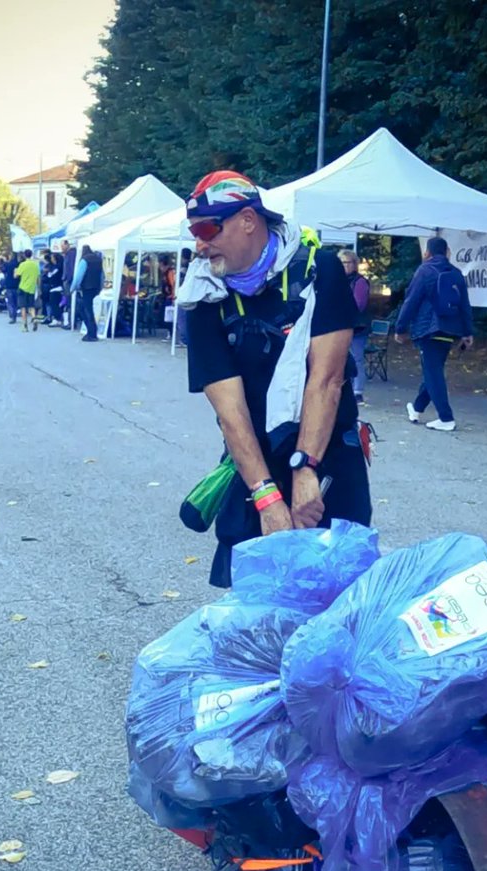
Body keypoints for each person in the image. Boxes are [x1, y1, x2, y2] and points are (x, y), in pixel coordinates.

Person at [179, 169, 372, 588]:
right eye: (193, 230)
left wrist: (305, 469)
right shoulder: (201, 296)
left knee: (339, 589)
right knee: (255, 602)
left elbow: (327, 379)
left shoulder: (319, 269)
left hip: (327, 451)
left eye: (208, 228)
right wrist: (267, 497)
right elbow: (230, 410)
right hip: (254, 461)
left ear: (248, 220)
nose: (199, 243)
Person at [395, 236, 474, 432]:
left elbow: (411, 301)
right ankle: (417, 408)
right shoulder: (456, 273)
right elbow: (465, 304)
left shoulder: (425, 270)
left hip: (428, 330)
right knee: (433, 371)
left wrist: (400, 328)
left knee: (433, 373)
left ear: (426, 253)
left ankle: (446, 418)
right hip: (450, 330)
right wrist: (467, 332)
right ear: (448, 252)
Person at [338, 249, 371, 404]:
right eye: (342, 262)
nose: (345, 266)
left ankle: (358, 392)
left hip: (357, 327)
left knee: (357, 358)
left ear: (354, 264)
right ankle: (344, 389)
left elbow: (359, 305)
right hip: (340, 326)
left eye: (348, 262)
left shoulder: (360, 282)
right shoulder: (337, 280)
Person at [75, 245, 103, 341]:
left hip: (86, 288)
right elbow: (102, 275)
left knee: (85, 310)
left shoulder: (84, 260)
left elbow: (79, 275)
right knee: (90, 310)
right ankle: (92, 332)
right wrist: (101, 287)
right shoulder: (99, 260)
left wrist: (74, 287)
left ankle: (91, 333)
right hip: (95, 288)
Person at [14, 249, 41, 331]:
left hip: (23, 288)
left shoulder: (22, 265)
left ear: (25, 255)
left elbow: (16, 276)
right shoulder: (35, 265)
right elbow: (38, 278)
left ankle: (25, 326)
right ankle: (34, 318)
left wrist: (15, 271)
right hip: (32, 288)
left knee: (23, 307)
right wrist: (38, 288)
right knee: (31, 306)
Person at [3, 249, 20, 324]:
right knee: (16, 302)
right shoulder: (19, 264)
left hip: (9, 285)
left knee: (10, 302)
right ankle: (15, 314)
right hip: (17, 285)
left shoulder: (8, 264)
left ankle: (12, 316)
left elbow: (4, 270)